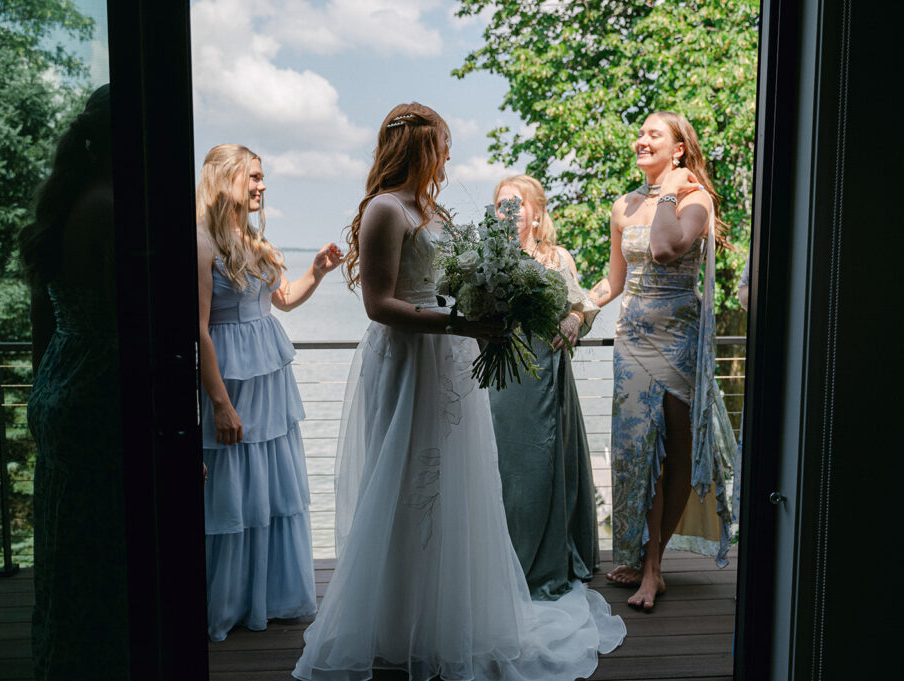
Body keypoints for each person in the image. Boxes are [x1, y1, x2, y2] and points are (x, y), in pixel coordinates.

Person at [292, 103, 624, 681]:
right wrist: (458, 324)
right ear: (420, 147)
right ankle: (396, 621)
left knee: (458, 483)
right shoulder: (384, 210)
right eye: (442, 145)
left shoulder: (433, 209)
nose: (448, 156)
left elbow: (455, 279)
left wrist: (483, 304)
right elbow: (378, 305)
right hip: (407, 361)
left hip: (450, 357)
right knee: (404, 480)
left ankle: (451, 617)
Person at [587, 111, 737, 611]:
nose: (641, 140)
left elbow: (664, 247)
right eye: (641, 133)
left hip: (677, 342)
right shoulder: (623, 205)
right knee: (635, 452)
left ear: (678, 150)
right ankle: (639, 553)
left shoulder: (696, 201)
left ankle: (654, 566)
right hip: (631, 342)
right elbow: (614, 281)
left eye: (655, 134)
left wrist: (671, 190)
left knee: (672, 453)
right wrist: (575, 313)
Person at [196, 144, 342, 642]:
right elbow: (199, 331)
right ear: (225, 179)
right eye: (252, 177)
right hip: (233, 383)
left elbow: (282, 301)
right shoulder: (201, 244)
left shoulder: (254, 242)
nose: (261, 186)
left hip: (270, 384)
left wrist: (318, 272)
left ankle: (269, 597)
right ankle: (229, 601)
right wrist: (220, 403)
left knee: (269, 490)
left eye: (262, 178)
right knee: (233, 489)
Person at [19, 84, 130, 680]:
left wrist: (46, 390)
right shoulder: (113, 209)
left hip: (61, 379)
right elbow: (129, 324)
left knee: (63, 546)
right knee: (102, 557)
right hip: (99, 390)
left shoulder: (64, 205)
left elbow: (45, 319)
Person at [487, 174, 601, 601]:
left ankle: (546, 558)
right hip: (499, 381)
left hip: (546, 378)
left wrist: (574, 320)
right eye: (501, 205)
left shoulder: (557, 257)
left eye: (515, 204)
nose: (508, 212)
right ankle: (499, 559)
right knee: (502, 468)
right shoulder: (488, 258)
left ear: (535, 213)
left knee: (542, 467)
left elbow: (582, 305)